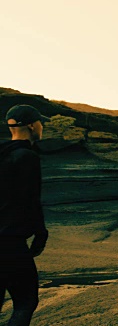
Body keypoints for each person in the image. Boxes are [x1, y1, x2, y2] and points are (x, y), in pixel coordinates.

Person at [0, 104, 49, 326]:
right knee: (25, 301)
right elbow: (31, 201)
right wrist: (40, 235)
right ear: (31, 125)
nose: (42, 126)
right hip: (9, 242)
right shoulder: (26, 157)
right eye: (40, 122)